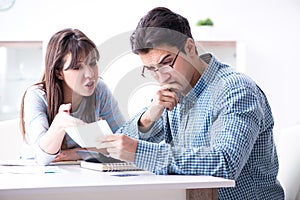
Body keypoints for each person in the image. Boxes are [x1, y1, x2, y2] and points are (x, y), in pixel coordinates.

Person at [99, 7, 285, 199]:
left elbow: (225, 163)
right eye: (151, 69)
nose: (161, 77)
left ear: (189, 47)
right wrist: (148, 118)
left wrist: (139, 151)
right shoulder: (173, 92)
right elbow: (118, 149)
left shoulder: (235, 89)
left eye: (167, 63)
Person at [19, 28, 125, 165]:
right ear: (59, 73)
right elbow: (43, 158)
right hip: (34, 172)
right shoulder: (37, 95)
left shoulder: (100, 90)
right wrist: (60, 124)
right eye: (77, 67)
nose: (90, 74)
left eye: (92, 63)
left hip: (77, 170)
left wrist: (78, 153)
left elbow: (124, 142)